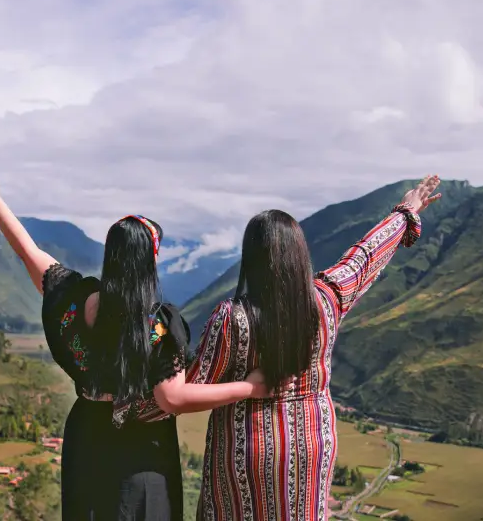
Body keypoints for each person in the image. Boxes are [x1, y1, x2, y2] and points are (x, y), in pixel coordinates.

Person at [0, 154, 275, 520]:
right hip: (140, 450)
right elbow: (172, 397)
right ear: (149, 263)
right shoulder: (158, 325)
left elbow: (27, 251)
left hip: (86, 436)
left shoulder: (75, 297)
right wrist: (251, 388)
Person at [187, 175, 442, 520]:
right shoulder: (327, 299)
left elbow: (191, 385)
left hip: (248, 450)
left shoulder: (233, 319)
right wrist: (405, 213)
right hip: (312, 444)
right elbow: (364, 257)